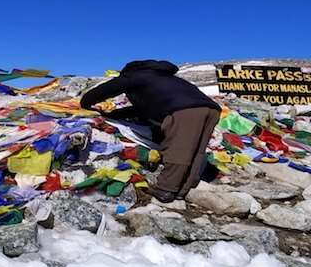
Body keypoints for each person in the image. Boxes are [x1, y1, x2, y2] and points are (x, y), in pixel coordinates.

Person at [80, 59, 221, 202]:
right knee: (196, 151)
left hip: (185, 111)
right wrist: (112, 115)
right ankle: (183, 189)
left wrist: (85, 102)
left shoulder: (136, 75)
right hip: (210, 109)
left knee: (178, 150)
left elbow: (108, 89)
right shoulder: (164, 79)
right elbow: (142, 110)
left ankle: (166, 190)